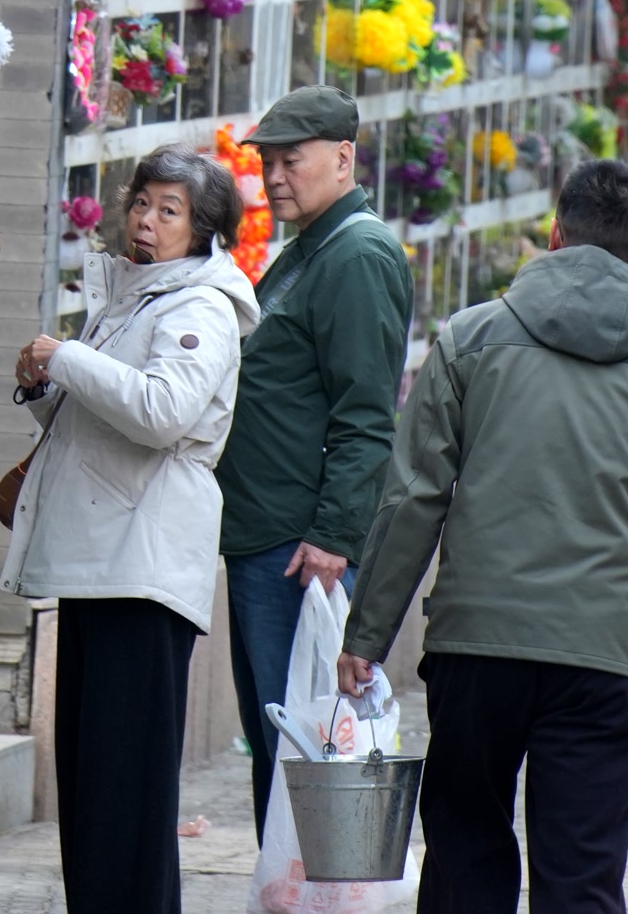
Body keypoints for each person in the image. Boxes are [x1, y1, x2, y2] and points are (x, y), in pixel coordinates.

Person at [338, 159, 628, 914]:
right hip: (604, 659)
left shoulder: (471, 339)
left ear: (553, 235)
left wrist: (367, 635)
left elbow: (412, 497)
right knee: (580, 880)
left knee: (464, 864)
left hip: (476, 650)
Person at [0, 143, 258, 914]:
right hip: (100, 564)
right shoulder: (134, 296)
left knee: (125, 798)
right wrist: (46, 387)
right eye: (142, 202)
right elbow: (101, 420)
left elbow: (162, 412)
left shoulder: (200, 307)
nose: (146, 219)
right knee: (92, 790)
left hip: (141, 571)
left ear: (203, 229)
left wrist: (67, 358)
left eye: (169, 210)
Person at [214, 85, 413, 840]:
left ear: (342, 158)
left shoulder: (358, 254)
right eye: (267, 162)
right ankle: (290, 882)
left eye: (290, 161)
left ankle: (314, 883)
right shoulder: (312, 246)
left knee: (302, 746)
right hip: (267, 532)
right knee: (281, 741)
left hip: (299, 547)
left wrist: (333, 536)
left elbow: (365, 415)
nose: (274, 178)